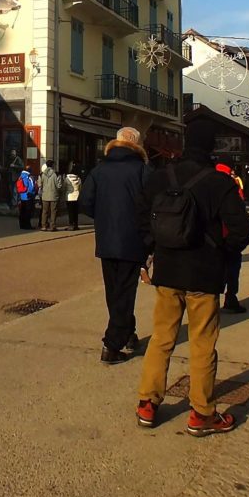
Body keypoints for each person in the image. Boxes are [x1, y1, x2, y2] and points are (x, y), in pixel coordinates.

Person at [135, 121, 249, 434]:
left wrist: (152, 253)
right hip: (204, 274)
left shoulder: (161, 177)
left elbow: (143, 221)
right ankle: (201, 414)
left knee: (162, 338)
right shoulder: (219, 182)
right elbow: (242, 229)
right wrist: (225, 253)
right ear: (212, 147)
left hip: (168, 270)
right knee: (202, 343)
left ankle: (148, 403)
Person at [79, 126, 152, 364]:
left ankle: (128, 332)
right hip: (134, 240)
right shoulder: (143, 170)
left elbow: (86, 202)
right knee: (125, 291)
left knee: (114, 291)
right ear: (138, 145)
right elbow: (153, 206)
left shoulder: (99, 170)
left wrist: (103, 218)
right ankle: (112, 344)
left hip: (107, 239)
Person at [215, 162, 247, 313]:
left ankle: (211, 301)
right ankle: (231, 297)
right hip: (230, 234)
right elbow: (240, 208)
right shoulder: (233, 185)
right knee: (233, 267)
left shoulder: (205, 182)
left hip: (211, 237)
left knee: (214, 269)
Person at [38, 160, 62, 230]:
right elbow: (59, 186)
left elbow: (39, 185)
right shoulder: (56, 174)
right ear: (53, 165)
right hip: (54, 196)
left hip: (45, 195)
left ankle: (44, 226)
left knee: (44, 211)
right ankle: (52, 226)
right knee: (53, 211)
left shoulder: (41, 174)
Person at [16, 165, 36, 229]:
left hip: (22, 196)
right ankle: (27, 225)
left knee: (22, 211)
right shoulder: (28, 177)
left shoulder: (21, 176)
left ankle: (21, 225)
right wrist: (33, 193)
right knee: (28, 212)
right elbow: (31, 187)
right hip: (28, 196)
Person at [63, 162, 82, 229]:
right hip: (77, 196)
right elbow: (80, 188)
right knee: (75, 212)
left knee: (70, 212)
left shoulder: (67, 179)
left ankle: (71, 224)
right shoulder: (78, 179)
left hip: (69, 197)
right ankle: (76, 225)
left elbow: (64, 187)